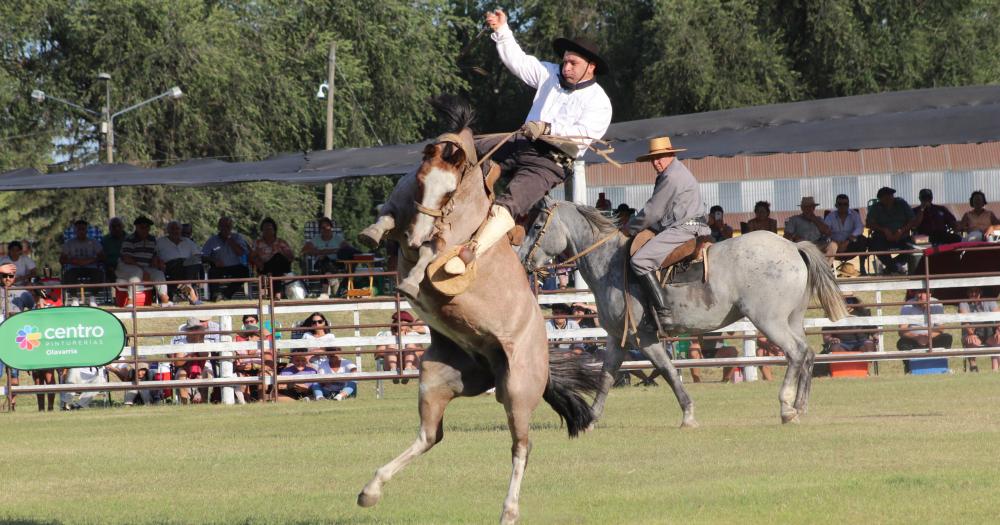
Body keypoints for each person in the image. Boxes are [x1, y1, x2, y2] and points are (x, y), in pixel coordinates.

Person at [441, 8, 612, 276]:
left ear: (591, 67)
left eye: (573, 64)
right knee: (460, 148)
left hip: (550, 163)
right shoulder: (550, 74)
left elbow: (583, 138)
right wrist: (501, 30)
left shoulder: (600, 102)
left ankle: (469, 253)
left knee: (510, 202)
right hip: (521, 142)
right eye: (565, 62)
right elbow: (518, 62)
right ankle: (426, 209)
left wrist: (548, 128)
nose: (566, 67)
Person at [623, 136, 710, 329]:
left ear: (671, 154)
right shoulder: (675, 171)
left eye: (660, 157)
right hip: (688, 225)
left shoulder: (671, 176)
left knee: (640, 261)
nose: (656, 162)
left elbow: (653, 210)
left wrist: (629, 228)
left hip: (685, 228)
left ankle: (664, 313)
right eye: (653, 159)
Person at [116, 216, 172, 306]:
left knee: (158, 274)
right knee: (136, 273)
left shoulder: (152, 239)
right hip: (125, 267)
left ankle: (164, 298)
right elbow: (127, 258)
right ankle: (130, 301)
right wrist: (143, 270)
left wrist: (158, 263)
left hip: (144, 267)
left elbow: (154, 255)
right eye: (142, 227)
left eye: (147, 227)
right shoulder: (129, 239)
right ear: (137, 227)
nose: (145, 229)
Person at [866, 186, 921, 275]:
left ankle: (891, 267)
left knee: (914, 247)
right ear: (880, 198)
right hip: (882, 237)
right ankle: (895, 268)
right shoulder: (875, 207)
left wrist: (901, 230)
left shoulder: (902, 204)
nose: (890, 198)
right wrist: (884, 230)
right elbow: (869, 223)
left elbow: (912, 220)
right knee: (874, 245)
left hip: (902, 236)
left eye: (891, 195)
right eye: (887, 196)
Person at [897, 290, 951, 373]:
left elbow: (941, 327)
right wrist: (917, 337)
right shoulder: (908, 305)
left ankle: (941, 368)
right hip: (914, 339)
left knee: (947, 338)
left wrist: (929, 336)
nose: (922, 296)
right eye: (919, 293)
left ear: (930, 293)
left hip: (932, 337)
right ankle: (910, 370)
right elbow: (902, 330)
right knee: (902, 343)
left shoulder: (936, 303)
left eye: (925, 293)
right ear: (915, 293)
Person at [202, 216, 251, 301]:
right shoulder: (212, 240)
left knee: (245, 272)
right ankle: (215, 296)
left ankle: (226, 295)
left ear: (231, 227)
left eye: (228, 226)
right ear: (219, 227)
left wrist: (229, 239)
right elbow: (203, 256)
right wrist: (214, 260)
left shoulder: (237, 237)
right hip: (219, 266)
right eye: (223, 226)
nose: (225, 228)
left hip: (235, 266)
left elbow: (241, 253)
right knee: (212, 272)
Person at [155, 220, 202, 304]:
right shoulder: (160, 242)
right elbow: (154, 255)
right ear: (168, 230)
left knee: (196, 263)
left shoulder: (188, 242)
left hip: (187, 267)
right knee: (180, 262)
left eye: (177, 229)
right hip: (169, 267)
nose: (175, 231)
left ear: (181, 230)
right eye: (172, 229)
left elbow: (197, 254)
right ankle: (191, 292)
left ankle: (188, 288)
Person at [374, 311, 425, 384]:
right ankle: (394, 371)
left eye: (404, 321)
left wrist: (406, 351)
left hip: (411, 363)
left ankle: (408, 370)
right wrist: (394, 352)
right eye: (400, 320)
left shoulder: (413, 334)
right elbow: (378, 353)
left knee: (410, 346)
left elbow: (421, 353)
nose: (402, 323)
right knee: (391, 345)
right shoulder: (387, 334)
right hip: (391, 363)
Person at [823, 194, 868, 276]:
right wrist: (836, 242)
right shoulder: (830, 216)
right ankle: (829, 270)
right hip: (834, 246)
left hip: (850, 244)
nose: (843, 206)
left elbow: (859, 228)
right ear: (836, 205)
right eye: (840, 204)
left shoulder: (854, 214)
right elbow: (825, 231)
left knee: (863, 239)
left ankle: (862, 267)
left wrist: (847, 241)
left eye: (845, 204)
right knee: (828, 244)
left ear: (848, 205)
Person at [958, 287, 1000, 372]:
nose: (973, 294)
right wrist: (971, 333)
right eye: (971, 291)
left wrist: (998, 331)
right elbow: (965, 321)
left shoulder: (990, 301)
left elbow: (998, 316)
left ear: (981, 292)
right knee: (971, 340)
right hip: (973, 331)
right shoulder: (964, 303)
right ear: (967, 293)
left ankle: (995, 370)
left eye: (976, 291)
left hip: (989, 331)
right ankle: (974, 367)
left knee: (998, 339)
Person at [301, 217, 345, 298]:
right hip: (321, 263)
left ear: (331, 227)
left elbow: (347, 249)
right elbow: (304, 251)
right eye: (323, 227)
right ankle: (333, 282)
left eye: (327, 226)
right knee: (324, 261)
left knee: (325, 264)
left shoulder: (337, 239)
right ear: (320, 229)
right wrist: (321, 252)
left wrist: (324, 251)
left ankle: (324, 292)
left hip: (336, 264)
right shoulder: (316, 239)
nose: (325, 229)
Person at [171, 317, 211, 404]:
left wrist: (199, 341)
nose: (194, 331)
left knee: (205, 374)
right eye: (191, 329)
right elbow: (178, 363)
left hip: (202, 366)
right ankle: (184, 403)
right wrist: (190, 356)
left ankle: (203, 402)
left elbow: (204, 356)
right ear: (187, 330)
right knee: (181, 374)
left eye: (196, 328)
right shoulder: (181, 342)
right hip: (185, 367)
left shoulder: (205, 342)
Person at [60, 220, 105, 285]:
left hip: (91, 268)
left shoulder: (94, 242)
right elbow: (61, 260)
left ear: (86, 230)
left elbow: (103, 257)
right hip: (73, 268)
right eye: (79, 229)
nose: (81, 231)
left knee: (99, 274)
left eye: (83, 229)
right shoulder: (69, 243)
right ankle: (72, 294)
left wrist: (91, 260)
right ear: (75, 231)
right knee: (68, 275)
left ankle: (94, 293)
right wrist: (74, 261)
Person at [102, 217, 127, 281]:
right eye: (113, 226)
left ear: (123, 226)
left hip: (127, 265)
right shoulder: (105, 240)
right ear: (109, 228)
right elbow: (102, 256)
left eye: (119, 225)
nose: (117, 228)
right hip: (111, 267)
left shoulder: (130, 239)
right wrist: (108, 266)